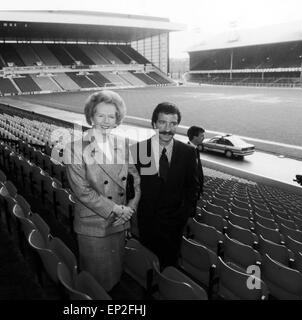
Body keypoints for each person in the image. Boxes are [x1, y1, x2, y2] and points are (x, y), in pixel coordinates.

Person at [64, 90, 141, 291]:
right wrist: (117, 209)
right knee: (96, 282)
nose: (106, 121)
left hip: (119, 222)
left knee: (114, 276)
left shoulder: (123, 144)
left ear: (118, 119)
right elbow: (83, 192)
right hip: (94, 225)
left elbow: (135, 181)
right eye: (100, 115)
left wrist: (129, 210)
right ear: (91, 116)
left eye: (111, 116)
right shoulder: (74, 148)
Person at [132, 102, 199, 268]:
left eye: (173, 123)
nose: (167, 129)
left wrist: (182, 215)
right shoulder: (138, 150)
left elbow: (193, 188)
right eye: (162, 122)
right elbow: (132, 188)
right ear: (154, 123)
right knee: (147, 266)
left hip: (174, 226)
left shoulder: (188, 152)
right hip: (147, 223)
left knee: (169, 265)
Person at [187, 126, 205, 216]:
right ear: (194, 137)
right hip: (189, 194)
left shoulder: (196, 149)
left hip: (194, 193)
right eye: (201, 136)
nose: (203, 138)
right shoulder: (186, 150)